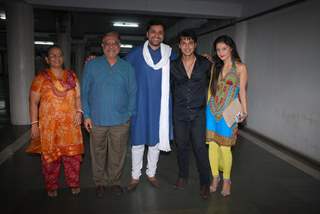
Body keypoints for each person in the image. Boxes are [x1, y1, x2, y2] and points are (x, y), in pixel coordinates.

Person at [81, 32, 137, 198]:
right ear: (102, 46)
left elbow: (133, 92)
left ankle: (115, 182)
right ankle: (100, 182)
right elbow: (84, 92)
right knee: (97, 153)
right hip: (96, 120)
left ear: (119, 47)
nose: (111, 46)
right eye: (107, 43)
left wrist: (128, 114)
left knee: (118, 154)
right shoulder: (92, 65)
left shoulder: (127, 67)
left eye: (114, 43)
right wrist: (87, 116)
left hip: (120, 121)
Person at [28, 45, 84, 198]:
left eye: (59, 55)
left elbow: (78, 96)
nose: (56, 58)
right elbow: (33, 102)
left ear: (63, 58)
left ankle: (74, 183)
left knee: (72, 157)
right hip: (49, 126)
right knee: (50, 159)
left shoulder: (72, 76)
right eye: (52, 55)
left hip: (70, 125)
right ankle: (51, 186)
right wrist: (34, 124)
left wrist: (79, 111)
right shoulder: (40, 78)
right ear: (47, 59)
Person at [125, 20, 176, 191]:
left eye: (160, 32)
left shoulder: (170, 54)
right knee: (138, 141)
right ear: (147, 34)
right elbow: (119, 68)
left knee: (155, 141)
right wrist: (98, 60)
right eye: (153, 31)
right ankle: (135, 176)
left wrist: (203, 59)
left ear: (163, 35)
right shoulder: (136, 53)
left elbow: (187, 63)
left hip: (160, 106)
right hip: (140, 105)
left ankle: (151, 174)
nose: (156, 35)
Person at [170, 29, 212, 199]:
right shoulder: (172, 65)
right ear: (179, 45)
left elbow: (217, 81)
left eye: (190, 43)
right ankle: (183, 176)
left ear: (195, 45)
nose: (187, 46)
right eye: (183, 43)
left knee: (200, 147)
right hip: (179, 113)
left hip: (198, 113)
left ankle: (204, 182)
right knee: (181, 146)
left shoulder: (205, 63)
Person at [206, 35, 248, 197]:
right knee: (213, 146)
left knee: (225, 147)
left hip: (229, 112)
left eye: (224, 48)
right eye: (218, 50)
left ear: (231, 48)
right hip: (212, 110)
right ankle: (215, 178)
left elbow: (242, 91)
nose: (221, 52)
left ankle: (226, 180)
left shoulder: (240, 68)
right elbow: (211, 89)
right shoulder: (215, 67)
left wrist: (244, 111)